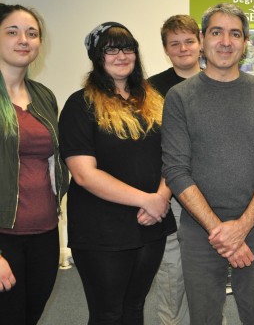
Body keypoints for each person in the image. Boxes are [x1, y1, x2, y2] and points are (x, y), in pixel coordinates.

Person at [161, 3, 254, 324]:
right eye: (217, 32)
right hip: (199, 231)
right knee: (203, 318)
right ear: (203, 38)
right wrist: (220, 231)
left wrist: (242, 227)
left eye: (235, 34)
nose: (226, 42)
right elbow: (175, 171)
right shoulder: (179, 97)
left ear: (245, 42)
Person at [58, 22, 176, 324]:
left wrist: (161, 197)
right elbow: (84, 174)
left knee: (135, 307)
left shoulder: (154, 101)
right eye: (110, 50)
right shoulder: (80, 104)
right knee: (108, 313)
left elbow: (173, 156)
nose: (121, 56)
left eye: (127, 48)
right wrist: (147, 200)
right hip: (102, 229)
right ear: (96, 57)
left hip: (151, 222)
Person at [0, 3, 69, 325]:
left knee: (30, 316)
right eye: (12, 32)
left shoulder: (43, 96)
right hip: (4, 236)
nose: (23, 40)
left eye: (32, 33)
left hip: (45, 232)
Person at [148, 14, 201, 325]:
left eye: (189, 41)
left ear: (201, 43)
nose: (183, 49)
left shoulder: (216, 81)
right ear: (166, 49)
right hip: (170, 196)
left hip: (210, 195)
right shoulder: (150, 90)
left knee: (208, 281)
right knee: (172, 278)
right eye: (175, 44)